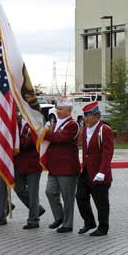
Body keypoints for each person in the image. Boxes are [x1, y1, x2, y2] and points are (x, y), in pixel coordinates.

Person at [76, 101, 114, 236]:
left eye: (88, 115)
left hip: (99, 173)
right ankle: (89, 222)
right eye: (84, 115)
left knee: (101, 203)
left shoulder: (104, 130)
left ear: (96, 115)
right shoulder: (86, 129)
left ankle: (103, 228)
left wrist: (102, 172)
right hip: (87, 172)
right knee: (80, 196)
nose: (85, 118)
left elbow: (107, 153)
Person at [43, 98, 80, 233]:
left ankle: (67, 225)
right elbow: (53, 137)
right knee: (50, 192)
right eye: (57, 109)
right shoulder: (56, 124)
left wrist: (44, 133)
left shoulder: (72, 124)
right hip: (54, 167)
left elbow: (60, 138)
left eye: (60, 109)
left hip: (67, 168)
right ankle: (59, 217)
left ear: (69, 111)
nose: (57, 111)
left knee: (67, 197)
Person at [14, 114, 45, 229]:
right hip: (18, 164)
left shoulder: (34, 125)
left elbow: (28, 143)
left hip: (33, 165)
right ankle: (38, 209)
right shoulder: (15, 125)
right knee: (18, 189)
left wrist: (14, 143)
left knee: (33, 193)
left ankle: (33, 220)